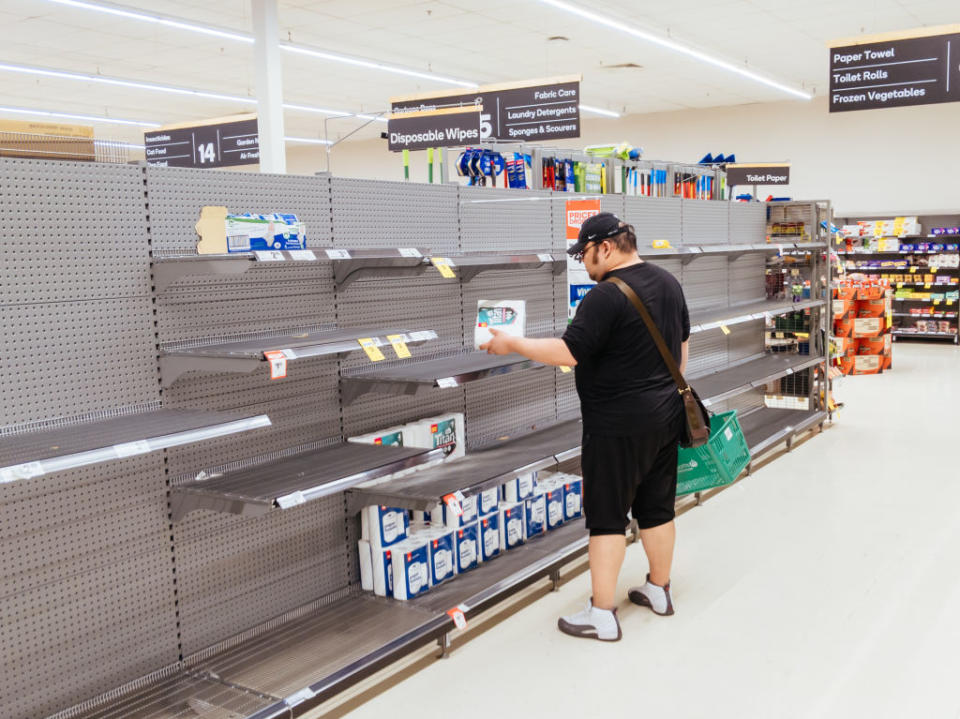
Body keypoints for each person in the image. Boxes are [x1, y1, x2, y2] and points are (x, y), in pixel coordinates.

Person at [480, 212, 690, 642]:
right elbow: (682, 346)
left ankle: (602, 614)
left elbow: (568, 352)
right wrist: (663, 394)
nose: (584, 264)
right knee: (657, 508)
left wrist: (511, 343)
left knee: (607, 519)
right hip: (667, 415)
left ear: (606, 248)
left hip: (615, 426)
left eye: (585, 254)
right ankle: (660, 590)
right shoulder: (668, 282)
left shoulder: (605, 297)